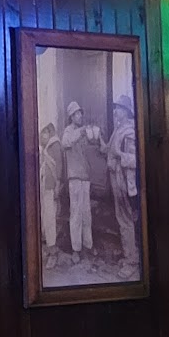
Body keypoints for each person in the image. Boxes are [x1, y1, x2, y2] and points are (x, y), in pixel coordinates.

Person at [61, 100, 101, 258]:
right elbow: (65, 143)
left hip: (85, 177)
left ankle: (87, 245)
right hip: (75, 178)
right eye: (77, 114)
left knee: (86, 213)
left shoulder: (83, 132)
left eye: (80, 113)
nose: (80, 116)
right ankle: (76, 249)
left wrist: (96, 137)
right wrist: (81, 132)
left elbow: (90, 150)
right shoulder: (69, 131)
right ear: (71, 117)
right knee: (76, 213)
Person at [105, 97, 139, 271]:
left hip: (124, 180)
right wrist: (99, 141)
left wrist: (119, 154)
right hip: (115, 179)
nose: (115, 111)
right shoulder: (118, 130)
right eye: (115, 108)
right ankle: (129, 254)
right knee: (122, 218)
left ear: (126, 112)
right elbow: (108, 150)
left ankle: (131, 260)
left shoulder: (130, 132)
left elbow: (135, 160)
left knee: (126, 219)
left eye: (118, 108)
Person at [38, 122, 62, 268]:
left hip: (51, 188)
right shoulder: (45, 149)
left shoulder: (55, 145)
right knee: (45, 219)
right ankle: (48, 246)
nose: (42, 137)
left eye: (44, 134)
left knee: (50, 219)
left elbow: (58, 168)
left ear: (50, 133)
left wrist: (57, 186)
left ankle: (53, 252)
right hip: (44, 187)